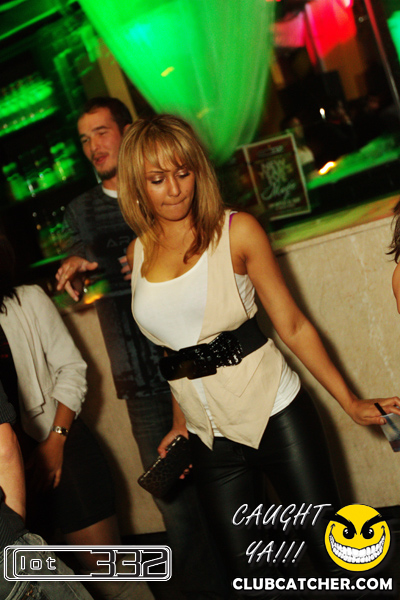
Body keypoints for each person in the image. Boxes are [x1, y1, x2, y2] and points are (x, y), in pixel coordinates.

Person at [117, 114, 400, 595]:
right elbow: (171, 348)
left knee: (334, 556)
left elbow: (293, 325)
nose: (175, 189)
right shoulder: (138, 252)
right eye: (158, 179)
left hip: (275, 412)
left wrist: (351, 402)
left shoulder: (237, 230)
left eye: (183, 172)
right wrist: (181, 422)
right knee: (245, 576)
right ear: (137, 186)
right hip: (209, 437)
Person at [55, 97, 230, 600]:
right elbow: (77, 253)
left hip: (202, 362)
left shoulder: (167, 187)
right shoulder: (80, 210)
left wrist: (151, 244)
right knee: (174, 500)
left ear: (127, 131)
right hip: (142, 379)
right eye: (85, 139)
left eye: (101, 133)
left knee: (230, 482)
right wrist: (76, 268)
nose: (93, 147)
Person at [0, 235, 151, 600]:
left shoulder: (27, 300)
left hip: (59, 447)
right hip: (9, 478)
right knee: (40, 587)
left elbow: (72, 369)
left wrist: (55, 442)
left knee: (110, 577)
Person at [0, 378, 95, 600]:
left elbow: (72, 372)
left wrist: (56, 438)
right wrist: (14, 534)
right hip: (8, 533)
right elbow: (4, 450)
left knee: (98, 558)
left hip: (51, 446)